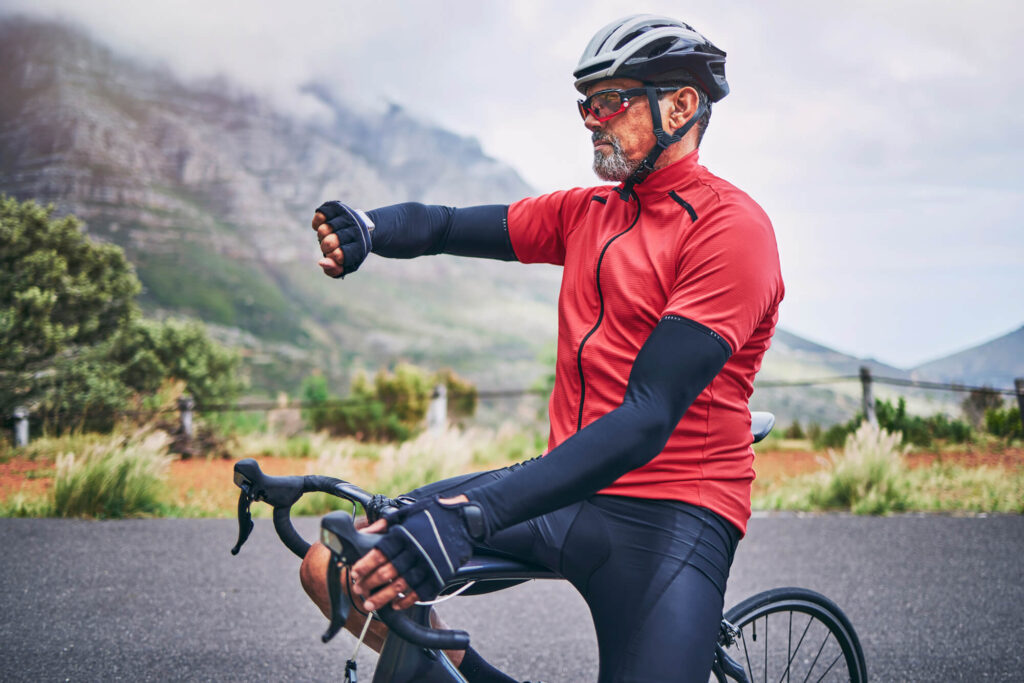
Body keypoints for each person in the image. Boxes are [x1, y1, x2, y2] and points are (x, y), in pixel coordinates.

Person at [299, 14, 784, 682]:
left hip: (675, 509)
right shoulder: (587, 212)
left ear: (680, 104)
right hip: (570, 489)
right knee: (340, 567)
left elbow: (647, 414)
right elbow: (443, 224)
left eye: (610, 100)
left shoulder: (732, 231)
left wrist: (472, 515)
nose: (591, 118)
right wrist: (368, 228)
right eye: (585, 102)